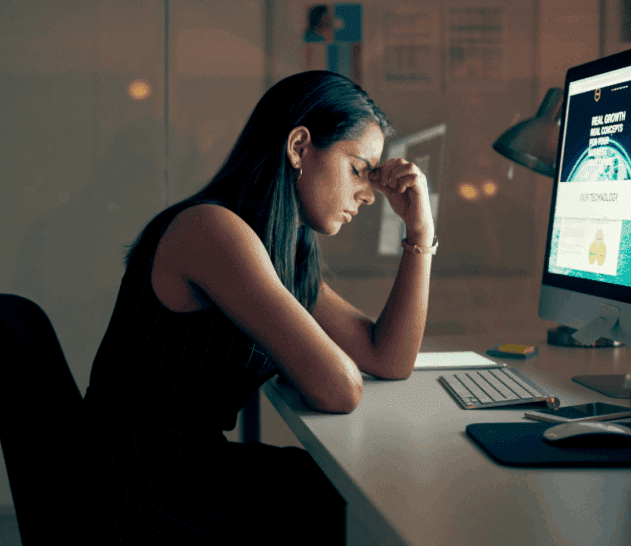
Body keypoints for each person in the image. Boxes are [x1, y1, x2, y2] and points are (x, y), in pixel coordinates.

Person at [81, 70, 436, 544]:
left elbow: (388, 359)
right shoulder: (212, 231)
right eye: (358, 169)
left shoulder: (279, 251)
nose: (369, 194)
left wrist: (420, 234)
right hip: (139, 490)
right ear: (298, 147)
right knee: (361, 517)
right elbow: (340, 390)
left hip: (192, 466)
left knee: (377, 492)